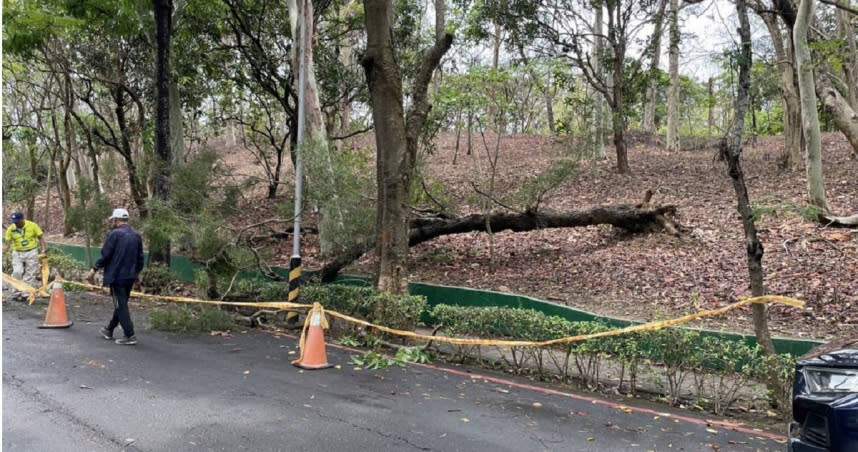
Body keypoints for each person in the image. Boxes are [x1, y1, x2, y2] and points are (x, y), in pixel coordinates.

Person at [86, 208, 144, 345]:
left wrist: (94, 269)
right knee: (121, 304)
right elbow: (140, 257)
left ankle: (130, 335)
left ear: (116, 220)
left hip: (117, 276)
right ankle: (109, 329)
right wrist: (137, 273)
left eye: (113, 220)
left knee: (121, 305)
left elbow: (106, 255)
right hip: (130, 276)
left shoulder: (115, 234)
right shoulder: (136, 235)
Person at [3, 212, 48, 301]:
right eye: (14, 222)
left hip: (31, 252)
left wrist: (43, 249)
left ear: (23, 219)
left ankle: (26, 293)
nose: (15, 223)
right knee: (17, 272)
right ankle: (16, 292)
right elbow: (7, 244)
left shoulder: (33, 226)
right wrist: (3, 251)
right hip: (17, 253)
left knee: (30, 273)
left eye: (17, 221)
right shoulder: (11, 229)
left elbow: (41, 238)